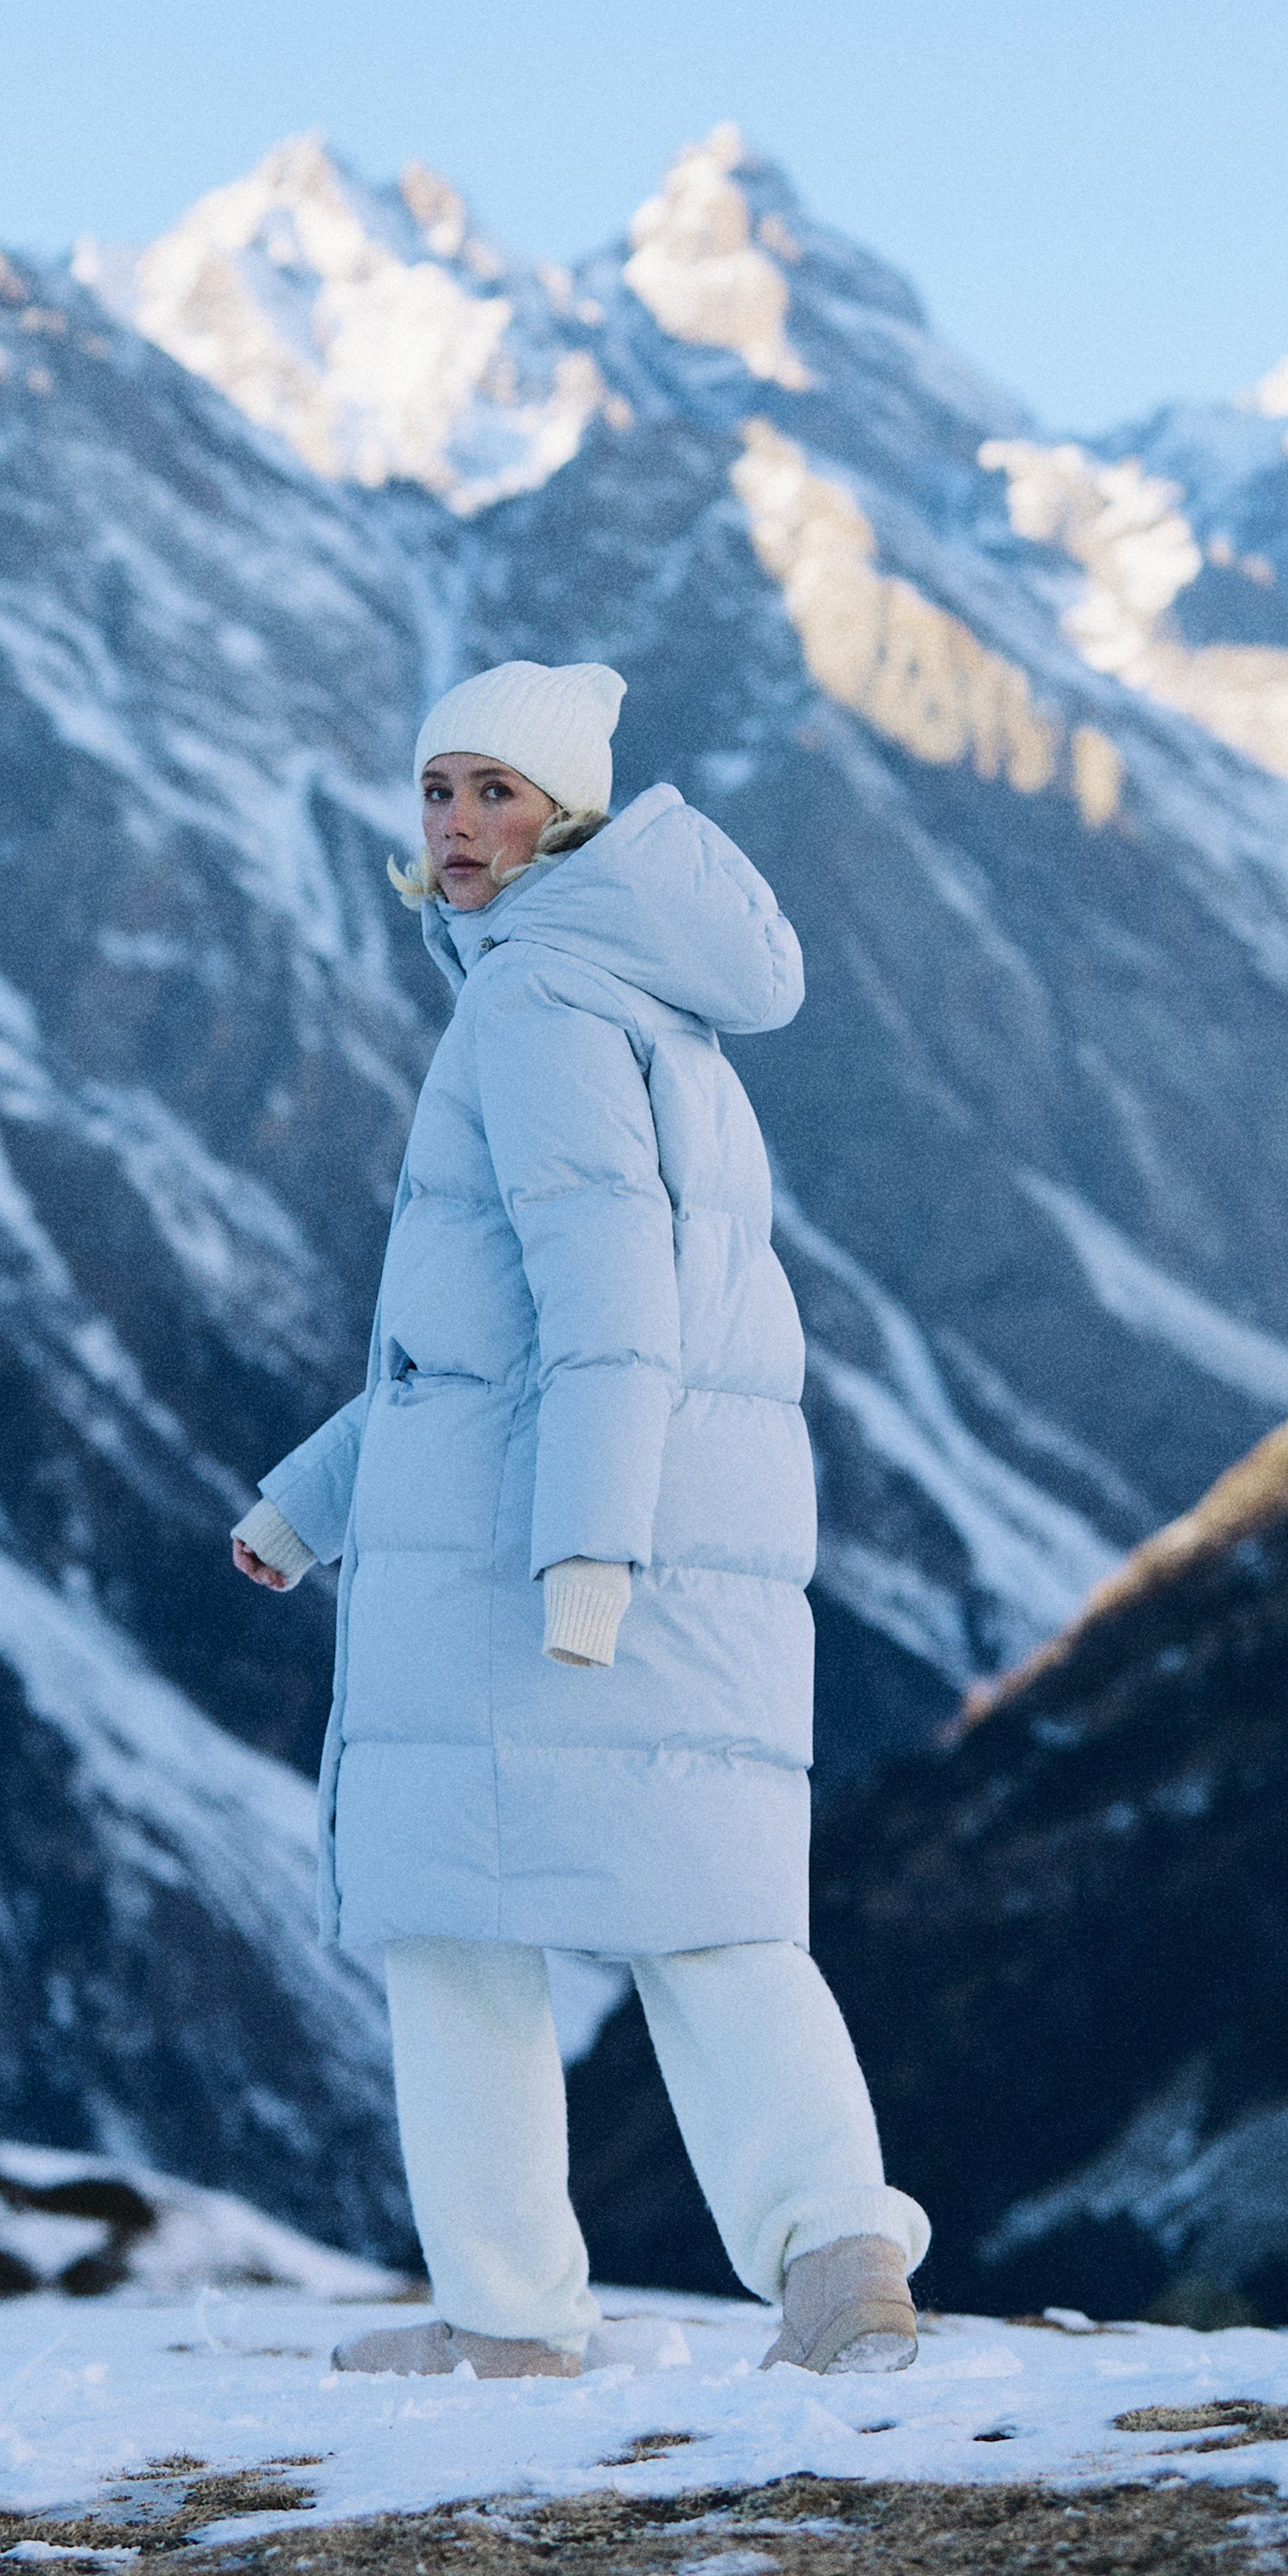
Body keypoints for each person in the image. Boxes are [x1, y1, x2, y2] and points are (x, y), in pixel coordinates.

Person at [231, 658, 929, 2378]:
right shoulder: (644, 1004)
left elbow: (610, 1302)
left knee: (456, 1929)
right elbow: (480, 1344)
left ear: (570, 815)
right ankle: (840, 2263)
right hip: (637, 1512)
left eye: (499, 793)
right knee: (704, 1905)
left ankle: (509, 2323)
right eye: (439, 791)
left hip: (542, 1551)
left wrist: (589, 1553)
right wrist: (313, 1503)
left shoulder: (537, 1004)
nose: (461, 828)